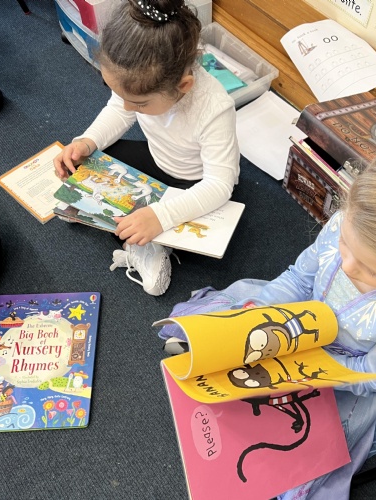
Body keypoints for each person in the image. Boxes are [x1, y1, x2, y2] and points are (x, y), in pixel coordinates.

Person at [158, 142, 376, 499]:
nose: (347, 266)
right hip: (299, 324)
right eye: (345, 244)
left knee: (300, 452)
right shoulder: (346, 224)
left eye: (371, 270)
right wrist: (259, 312)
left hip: (345, 374)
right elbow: (298, 279)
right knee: (238, 330)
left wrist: (303, 369)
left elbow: (371, 376)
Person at [53, 0, 239, 296]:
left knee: (193, 226)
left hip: (194, 183)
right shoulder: (140, 85)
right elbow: (118, 110)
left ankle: (150, 246)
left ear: (183, 86)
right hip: (156, 161)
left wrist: (160, 217)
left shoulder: (215, 108)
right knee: (88, 160)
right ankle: (128, 225)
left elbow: (219, 184)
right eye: (119, 94)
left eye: (139, 104)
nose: (129, 108)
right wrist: (87, 141)